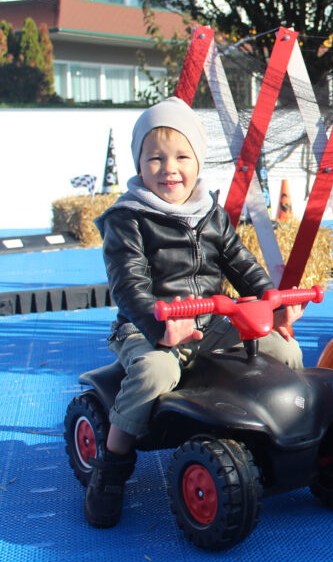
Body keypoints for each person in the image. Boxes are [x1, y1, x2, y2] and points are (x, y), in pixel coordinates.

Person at [86, 97, 306, 528]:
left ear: (198, 161)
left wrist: (270, 301)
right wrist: (158, 324)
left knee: (282, 351)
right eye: (155, 158)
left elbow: (238, 261)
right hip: (149, 326)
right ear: (139, 164)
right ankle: (110, 468)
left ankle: (277, 438)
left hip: (210, 322)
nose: (169, 168)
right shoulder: (127, 219)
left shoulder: (209, 213)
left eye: (181, 156)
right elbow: (128, 284)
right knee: (154, 374)